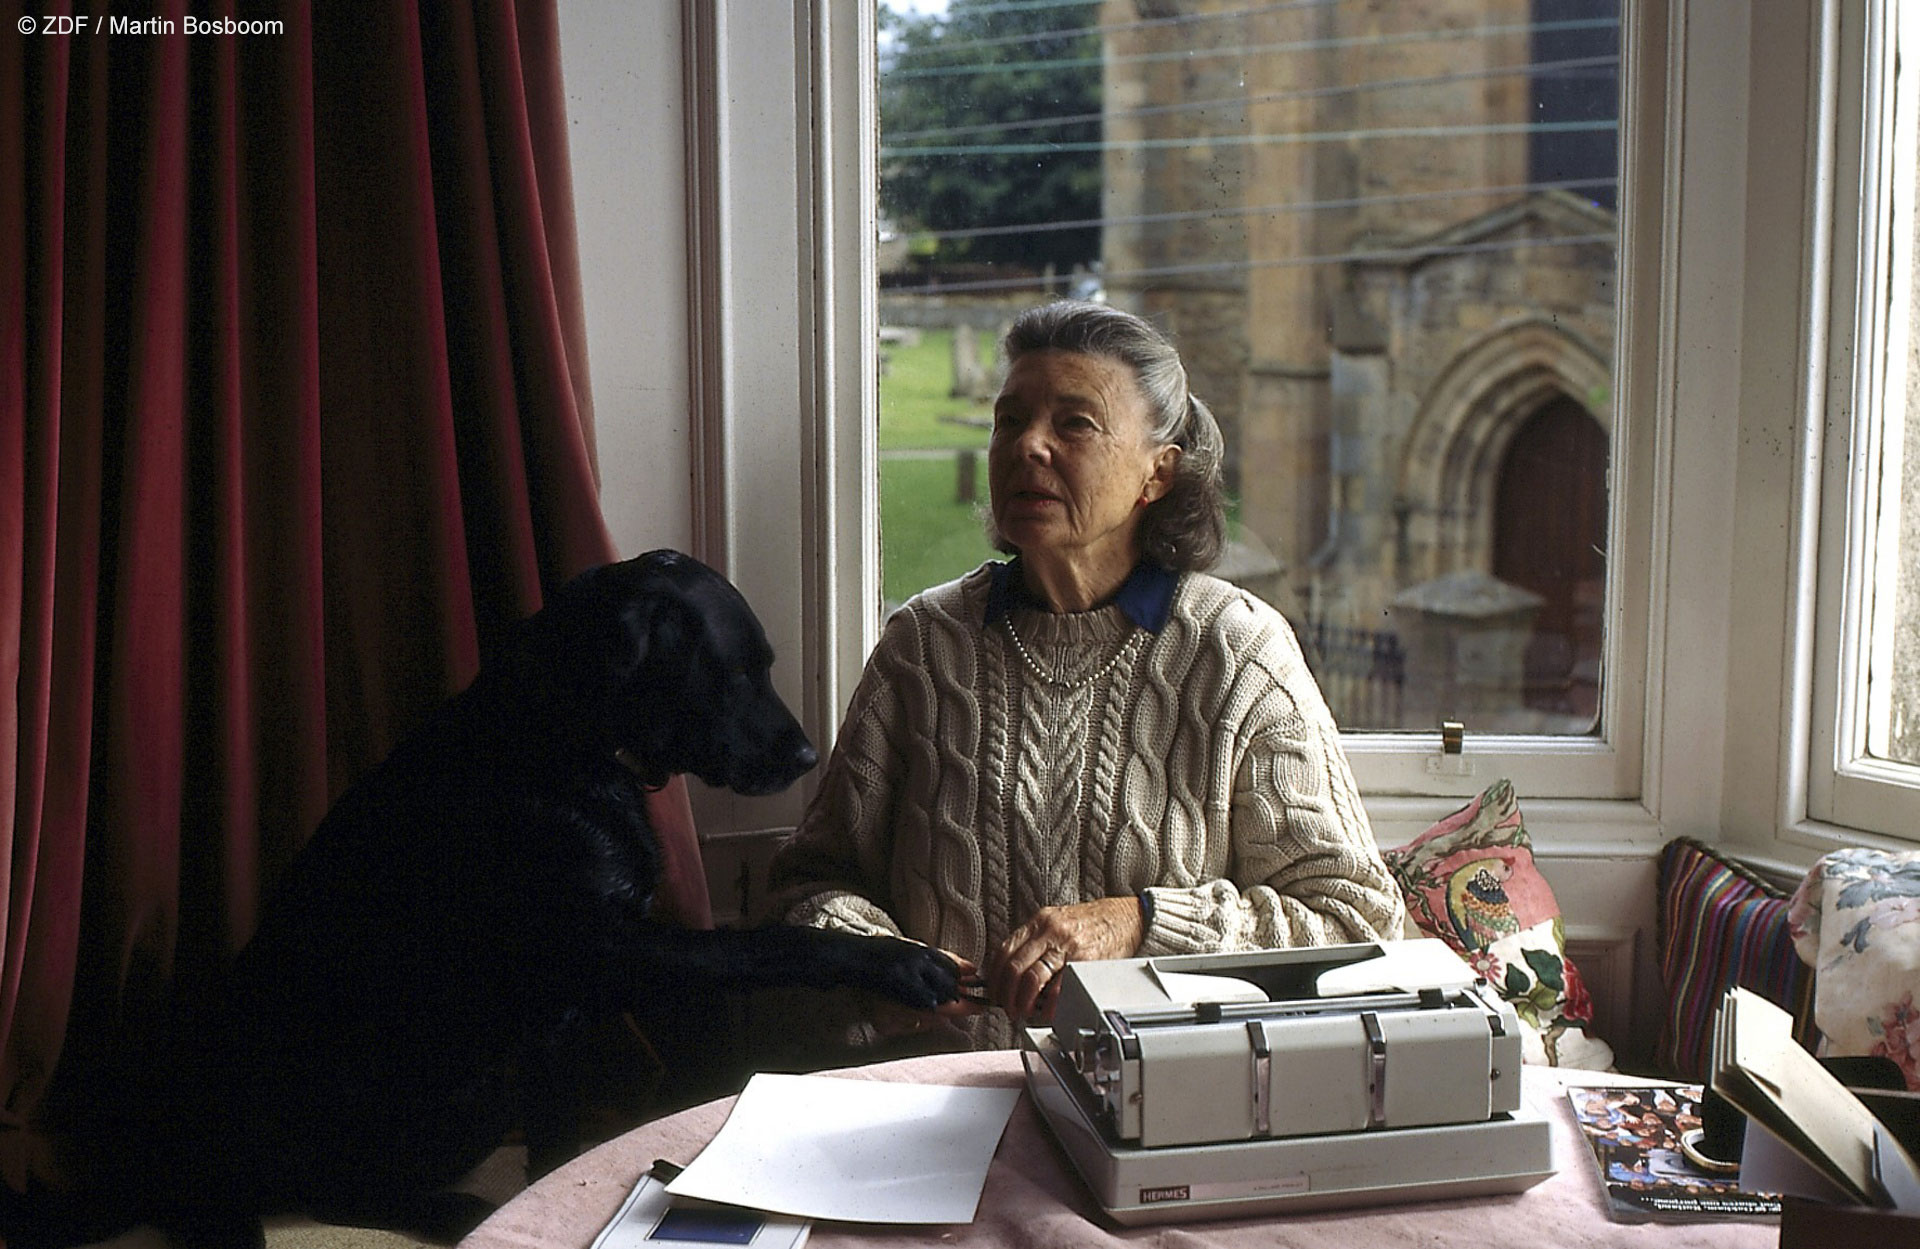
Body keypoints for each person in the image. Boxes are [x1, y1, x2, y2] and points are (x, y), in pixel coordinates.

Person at [766, 300, 1405, 1050]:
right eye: (1010, 420)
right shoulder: (925, 646)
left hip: (1165, 1118)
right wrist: (879, 960)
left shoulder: (1237, 651)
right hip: (936, 1108)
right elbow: (809, 884)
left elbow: (1358, 920)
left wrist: (1140, 923)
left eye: (1075, 424)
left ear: (1158, 474)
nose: (1028, 446)